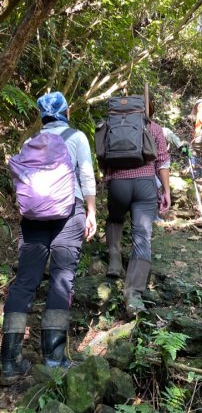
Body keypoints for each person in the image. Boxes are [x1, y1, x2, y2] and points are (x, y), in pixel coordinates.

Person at [1, 92, 96, 380]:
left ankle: (8, 361)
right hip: (69, 212)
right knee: (61, 279)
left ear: (42, 116)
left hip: (33, 218)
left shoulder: (30, 142)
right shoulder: (77, 137)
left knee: (25, 283)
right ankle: (54, 358)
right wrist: (91, 211)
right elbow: (87, 176)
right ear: (66, 111)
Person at [104, 96, 170, 317]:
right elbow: (162, 160)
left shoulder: (111, 124)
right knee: (142, 236)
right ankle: (133, 294)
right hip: (145, 185)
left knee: (115, 218)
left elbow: (102, 156)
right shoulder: (153, 127)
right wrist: (166, 191)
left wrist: (109, 179)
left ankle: (114, 261)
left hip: (118, 185)